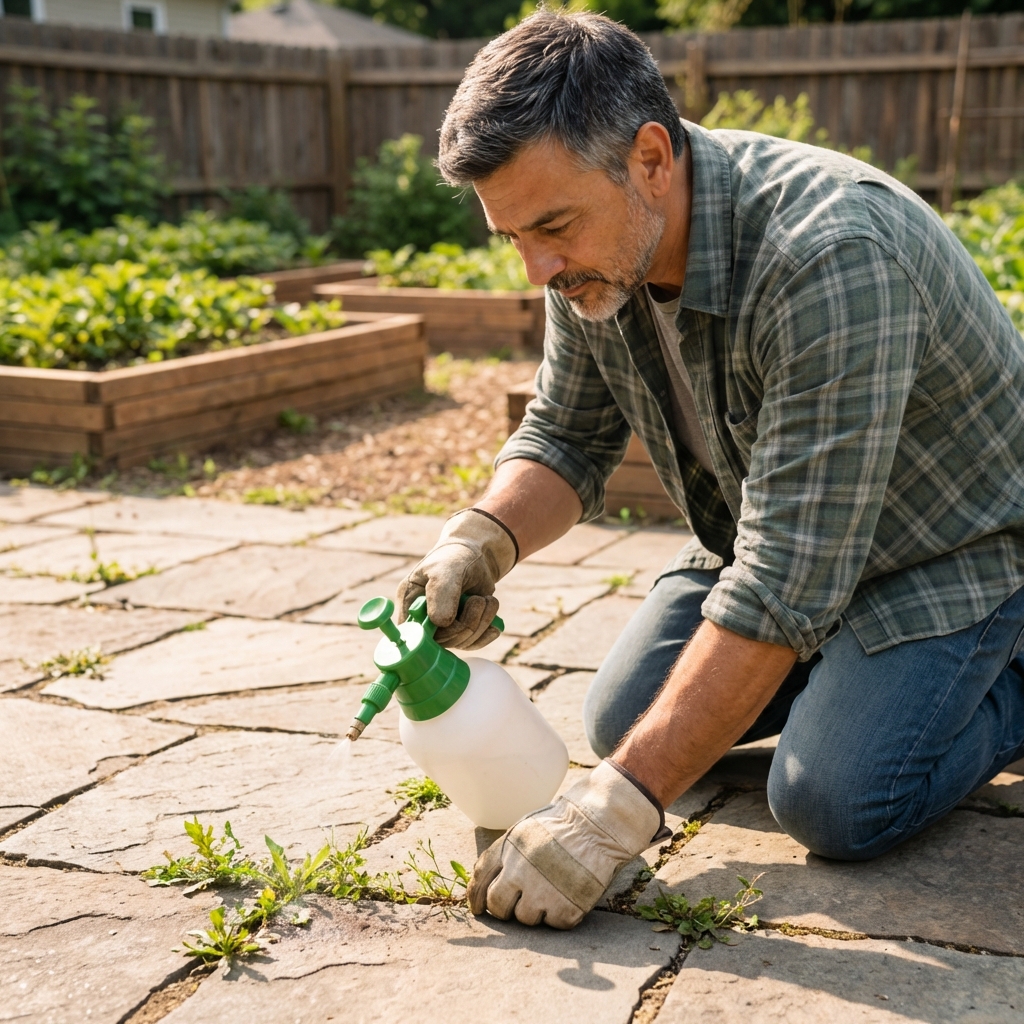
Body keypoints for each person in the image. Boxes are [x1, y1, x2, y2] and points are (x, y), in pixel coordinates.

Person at [395, 9, 1024, 930]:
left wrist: (612, 815)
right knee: (623, 724)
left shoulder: (832, 254)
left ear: (651, 155)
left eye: (552, 227)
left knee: (834, 802)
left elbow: (783, 581)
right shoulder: (598, 248)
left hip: (946, 555)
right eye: (515, 237)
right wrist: (478, 542)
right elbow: (566, 435)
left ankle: (1004, 680)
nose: (537, 267)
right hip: (782, 549)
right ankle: (842, 682)